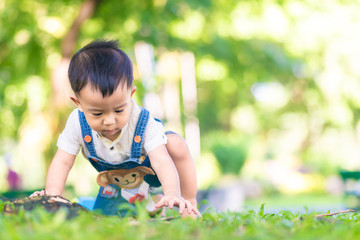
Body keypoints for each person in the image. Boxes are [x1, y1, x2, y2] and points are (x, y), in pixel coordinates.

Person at [31, 40, 200, 217]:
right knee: (110, 217)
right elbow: (63, 161)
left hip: (152, 172)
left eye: (119, 110)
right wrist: (52, 196)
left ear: (131, 94)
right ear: (78, 103)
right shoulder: (76, 122)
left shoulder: (142, 121)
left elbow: (161, 161)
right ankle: (151, 204)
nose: (110, 121)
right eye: (97, 113)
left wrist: (172, 193)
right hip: (116, 180)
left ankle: (188, 203)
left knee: (175, 143)